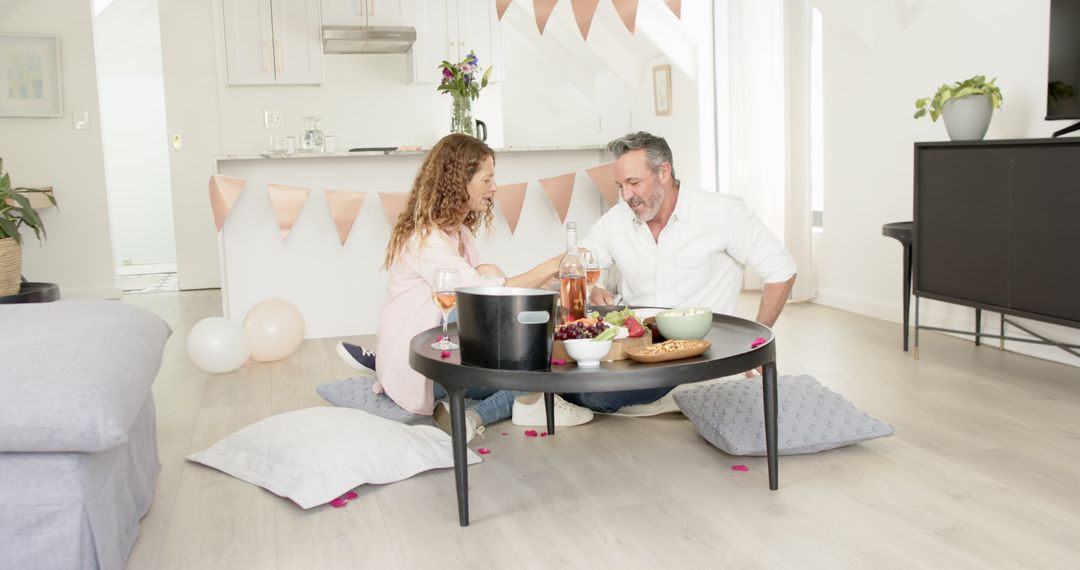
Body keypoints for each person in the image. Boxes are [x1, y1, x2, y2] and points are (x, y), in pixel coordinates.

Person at [368, 133, 593, 442]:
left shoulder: (458, 233)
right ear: (460, 181)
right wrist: (555, 264)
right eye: (487, 180)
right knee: (523, 364)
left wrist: (556, 281)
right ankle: (505, 408)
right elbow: (485, 293)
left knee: (495, 286)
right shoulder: (425, 239)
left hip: (438, 349)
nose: (494, 188)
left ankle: (511, 404)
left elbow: (486, 285)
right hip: (418, 365)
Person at [566, 131, 798, 413]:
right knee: (562, 372)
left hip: (696, 351)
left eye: (634, 183)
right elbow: (578, 264)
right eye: (620, 186)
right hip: (635, 345)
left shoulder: (722, 212)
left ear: (664, 172)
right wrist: (595, 288)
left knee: (592, 396)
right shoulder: (616, 220)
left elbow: (781, 270)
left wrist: (757, 342)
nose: (626, 195)